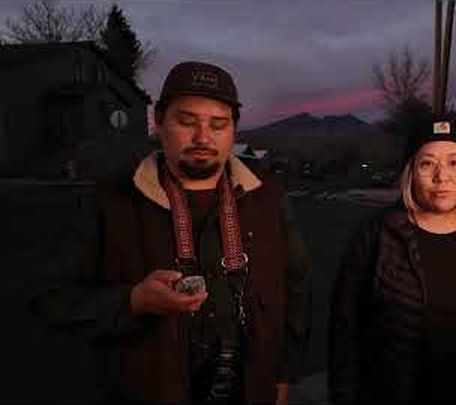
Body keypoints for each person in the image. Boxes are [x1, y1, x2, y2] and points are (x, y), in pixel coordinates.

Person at [30, 61, 312, 404]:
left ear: (234, 131)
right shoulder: (108, 202)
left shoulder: (269, 198)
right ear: (159, 123)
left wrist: (282, 376)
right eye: (187, 121)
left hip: (251, 390)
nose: (203, 137)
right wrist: (132, 301)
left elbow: (297, 288)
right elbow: (50, 300)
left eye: (218, 124)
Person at [328, 116, 456, 405]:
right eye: (427, 164)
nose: (441, 176)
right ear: (410, 172)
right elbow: (344, 332)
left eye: (454, 162)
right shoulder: (375, 235)